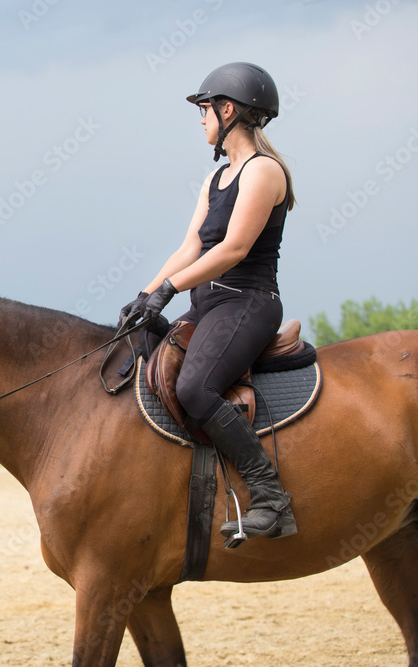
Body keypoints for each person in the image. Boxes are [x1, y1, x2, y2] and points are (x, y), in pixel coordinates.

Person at [120, 62, 297, 544]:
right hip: (208, 304)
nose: (200, 120)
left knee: (195, 389)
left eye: (204, 110)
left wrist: (169, 291)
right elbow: (191, 247)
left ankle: (270, 497)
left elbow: (232, 250)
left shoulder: (263, 172)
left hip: (249, 302)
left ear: (229, 110)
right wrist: (145, 295)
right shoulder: (217, 177)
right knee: (143, 342)